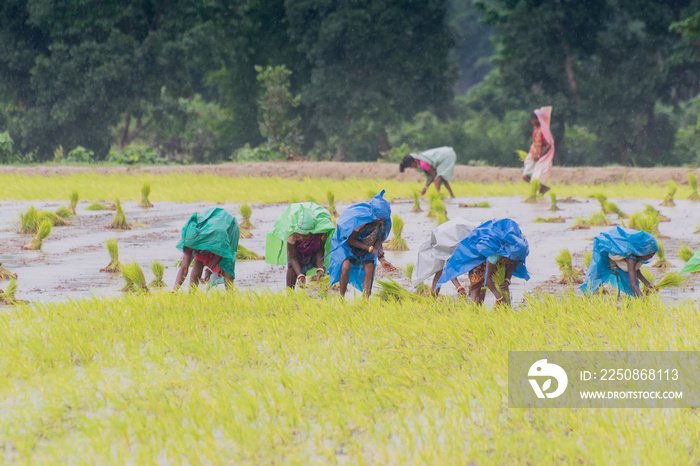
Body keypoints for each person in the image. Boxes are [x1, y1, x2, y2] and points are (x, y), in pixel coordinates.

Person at [436, 219, 530, 306]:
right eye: (512, 260)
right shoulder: (495, 254)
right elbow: (487, 278)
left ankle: (497, 310)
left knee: (499, 285)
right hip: (478, 259)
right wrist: (499, 297)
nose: (514, 262)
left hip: (495, 262)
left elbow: (512, 265)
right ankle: (475, 312)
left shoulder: (516, 252)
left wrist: (507, 280)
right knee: (477, 286)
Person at [329, 190, 396, 298]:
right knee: (345, 267)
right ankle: (341, 297)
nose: (382, 222)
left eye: (384, 219)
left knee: (369, 267)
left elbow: (379, 240)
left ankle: (365, 300)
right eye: (380, 219)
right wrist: (369, 248)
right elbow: (350, 240)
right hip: (347, 245)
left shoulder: (384, 223)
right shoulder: (359, 220)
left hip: (367, 245)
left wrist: (382, 259)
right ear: (374, 215)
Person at [265, 202, 335, 289]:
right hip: (297, 253)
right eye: (300, 235)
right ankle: (289, 294)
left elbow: (320, 251)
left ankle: (323, 295)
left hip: (313, 250)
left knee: (324, 271)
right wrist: (300, 275)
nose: (302, 238)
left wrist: (320, 269)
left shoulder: (320, 233)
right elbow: (293, 257)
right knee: (292, 269)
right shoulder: (292, 236)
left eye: (306, 235)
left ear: (312, 232)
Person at [173, 207, 239, 291]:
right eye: (190, 248)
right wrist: (174, 290)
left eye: (193, 247)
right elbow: (184, 268)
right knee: (198, 262)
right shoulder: (188, 240)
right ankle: (191, 295)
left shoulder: (217, 234)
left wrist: (209, 269)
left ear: (197, 242)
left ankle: (230, 296)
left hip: (227, 227)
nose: (191, 250)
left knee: (226, 262)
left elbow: (220, 253)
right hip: (210, 232)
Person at [580, 226, 658, 298]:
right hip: (604, 247)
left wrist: (647, 283)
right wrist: (642, 299)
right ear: (643, 252)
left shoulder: (637, 252)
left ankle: (632, 302)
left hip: (620, 253)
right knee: (597, 274)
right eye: (649, 255)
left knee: (628, 279)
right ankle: (586, 296)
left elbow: (635, 269)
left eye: (652, 255)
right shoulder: (631, 257)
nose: (650, 258)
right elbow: (633, 285)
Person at [411, 217, 477, 296]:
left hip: (452, 239)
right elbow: (449, 268)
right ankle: (438, 295)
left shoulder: (446, 239)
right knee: (442, 270)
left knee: (440, 272)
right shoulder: (440, 243)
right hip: (448, 241)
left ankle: (434, 297)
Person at [522, 107, 555, 195]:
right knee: (526, 176)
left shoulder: (543, 130)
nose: (532, 122)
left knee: (532, 177)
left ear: (538, 119)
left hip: (538, 156)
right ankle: (542, 188)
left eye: (533, 120)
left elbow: (548, 144)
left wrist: (540, 155)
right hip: (533, 154)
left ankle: (537, 192)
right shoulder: (535, 128)